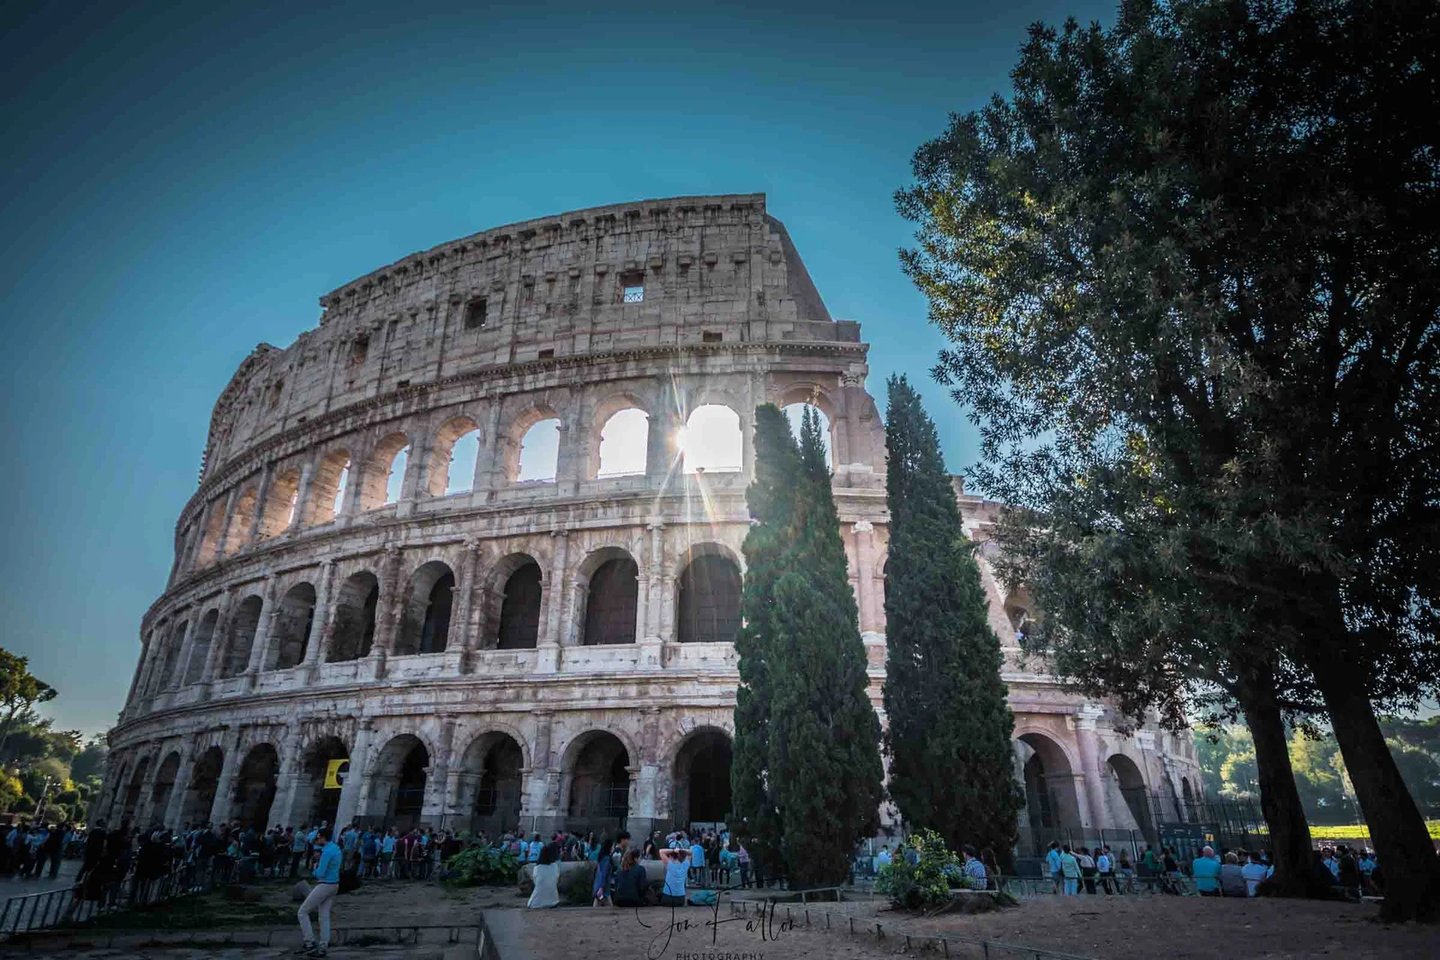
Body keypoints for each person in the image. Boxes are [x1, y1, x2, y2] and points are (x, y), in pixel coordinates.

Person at [297, 826, 341, 958]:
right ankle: (323, 946)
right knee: (324, 916)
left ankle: (309, 942)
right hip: (334, 884)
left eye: (318, 838)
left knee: (302, 912)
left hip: (324, 884)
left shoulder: (326, 852)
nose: (317, 841)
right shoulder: (336, 848)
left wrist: (315, 868)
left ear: (322, 838)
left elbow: (320, 873)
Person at [527, 842, 561, 908]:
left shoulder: (538, 868)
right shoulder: (555, 866)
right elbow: (556, 880)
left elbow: (535, 881)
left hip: (536, 902)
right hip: (553, 901)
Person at [593, 836, 616, 906]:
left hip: (601, 888)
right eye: (612, 846)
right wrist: (601, 887)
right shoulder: (606, 859)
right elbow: (603, 874)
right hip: (604, 889)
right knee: (609, 907)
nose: (613, 848)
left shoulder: (602, 858)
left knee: (596, 905)